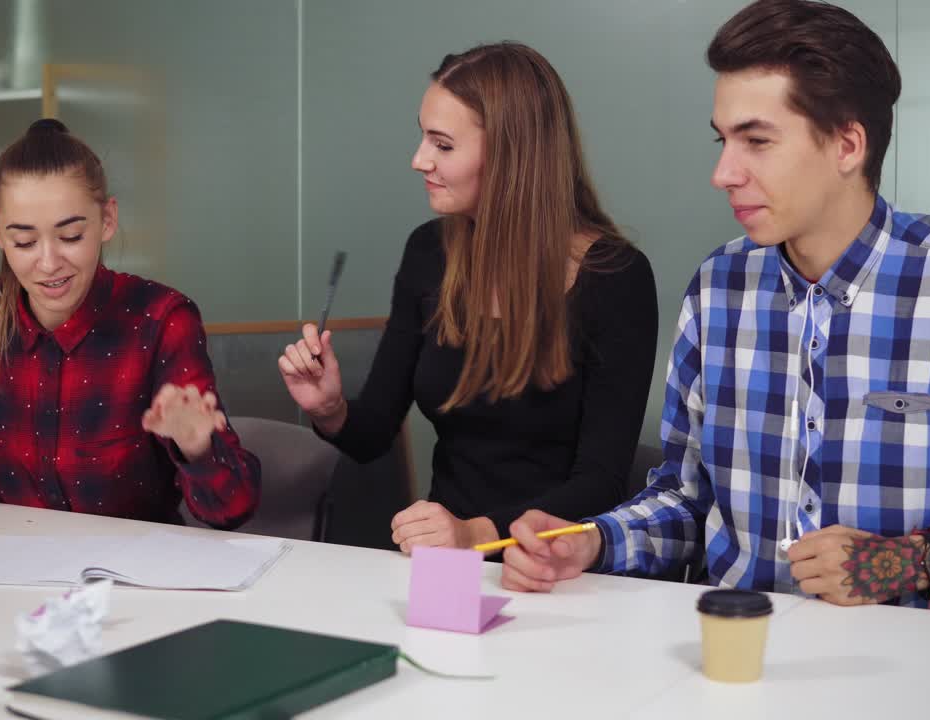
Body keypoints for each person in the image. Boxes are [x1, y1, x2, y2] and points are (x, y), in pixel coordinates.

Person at [502, 0, 930, 611]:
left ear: (847, 145)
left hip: (905, 658)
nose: (723, 172)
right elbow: (687, 502)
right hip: (734, 648)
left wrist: (913, 562)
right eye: (723, 140)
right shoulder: (718, 287)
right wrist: (594, 541)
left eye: (756, 141)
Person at [279, 42, 658, 552]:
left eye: (443, 145)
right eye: (423, 138)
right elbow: (371, 434)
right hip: (445, 560)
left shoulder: (616, 278)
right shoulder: (428, 252)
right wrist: (329, 410)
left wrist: (474, 533)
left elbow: (601, 484)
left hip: (553, 564)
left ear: (511, 155)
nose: (419, 160)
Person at [0, 119, 260, 529]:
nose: (48, 263)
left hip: (130, 561)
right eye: (24, 242)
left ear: (108, 220)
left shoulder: (162, 319)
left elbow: (233, 508)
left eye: (71, 236)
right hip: (16, 553)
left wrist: (196, 448)